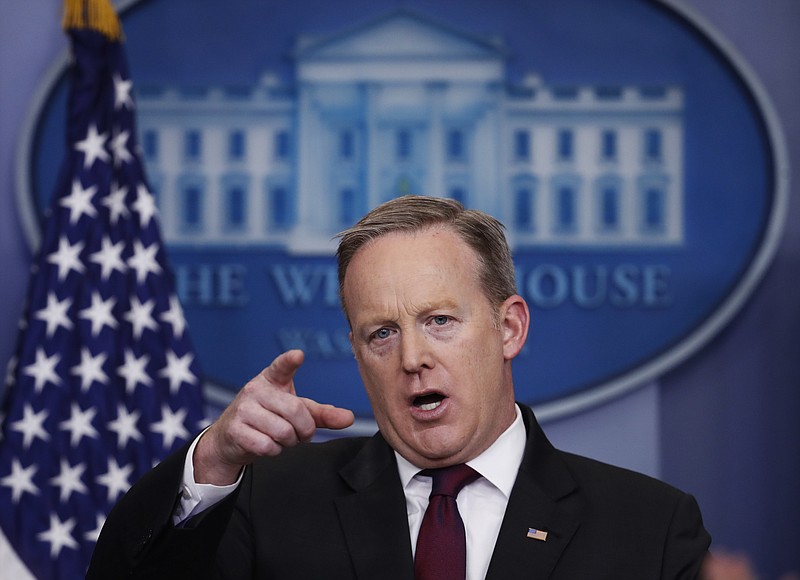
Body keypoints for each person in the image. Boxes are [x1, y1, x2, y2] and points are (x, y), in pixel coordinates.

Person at [87, 195, 710, 579]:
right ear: (357, 353)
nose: (412, 356)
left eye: (439, 321)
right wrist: (216, 460)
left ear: (509, 328)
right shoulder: (268, 502)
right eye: (381, 333)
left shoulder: (649, 527)